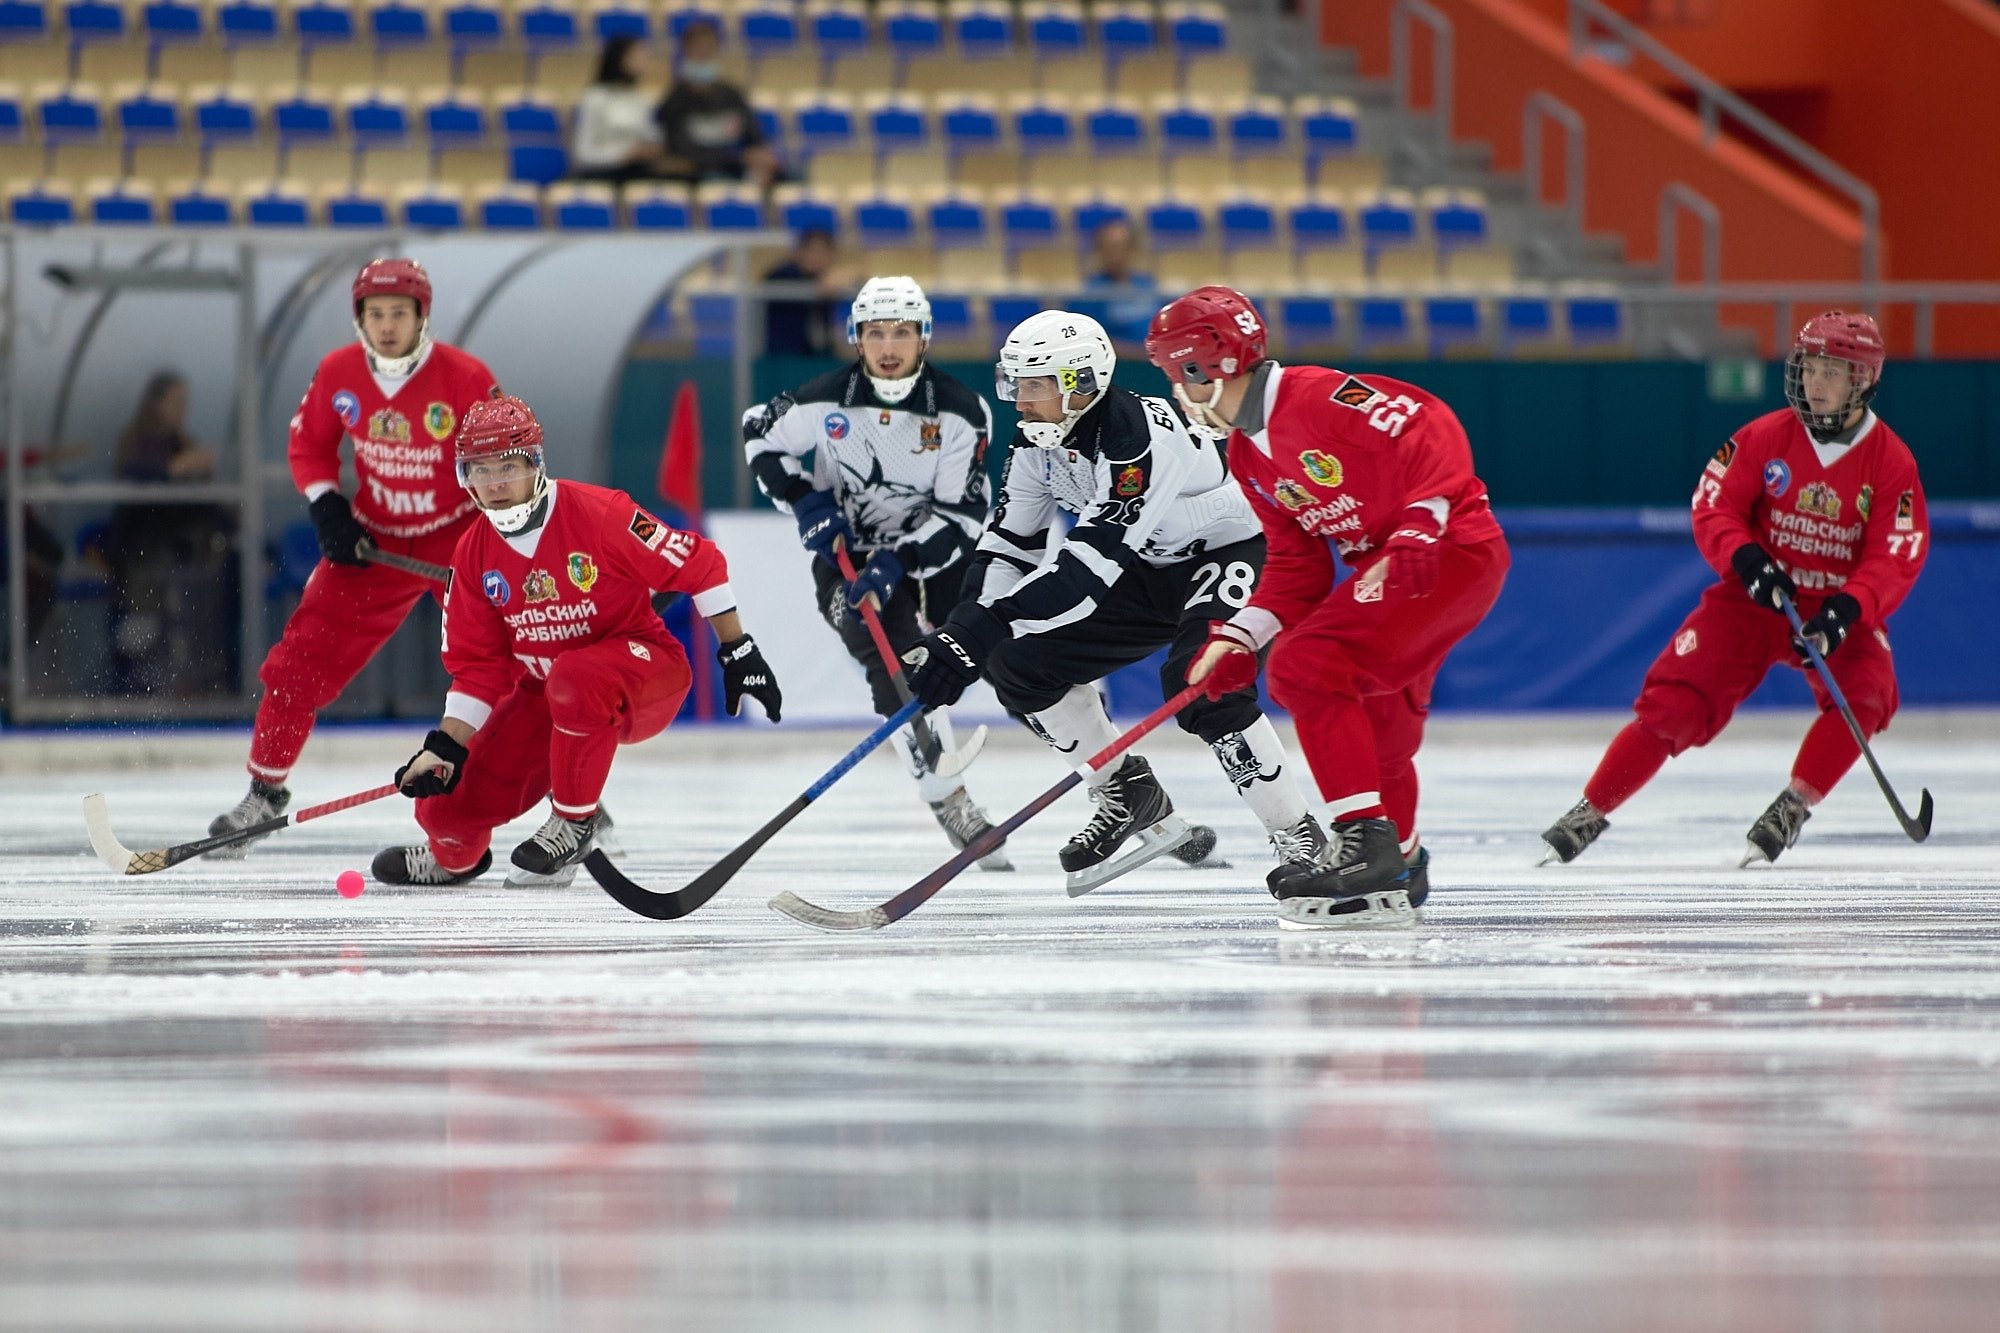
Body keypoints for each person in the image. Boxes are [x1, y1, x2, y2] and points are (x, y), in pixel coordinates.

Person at [902, 310, 1326, 892]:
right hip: (1143, 562)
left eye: (1035, 385)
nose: (1020, 400)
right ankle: (1128, 792)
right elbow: (1007, 548)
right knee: (1017, 666)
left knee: (1199, 682)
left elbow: (1084, 573)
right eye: (1016, 384)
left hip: (1229, 550)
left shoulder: (1137, 437)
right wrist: (960, 636)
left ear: (1079, 384)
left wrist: (980, 629)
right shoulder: (1034, 442)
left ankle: (1299, 833)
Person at [1147, 285, 1510, 928]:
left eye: (1176, 372)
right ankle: (1399, 860)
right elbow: (1296, 569)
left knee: (1307, 665)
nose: (1176, 388)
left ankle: (1363, 838)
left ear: (1208, 365)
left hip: (1446, 550)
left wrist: (1425, 515)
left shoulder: (1315, 395)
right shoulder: (1245, 456)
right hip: (1395, 565)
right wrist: (1239, 638)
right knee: (1378, 729)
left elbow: (1427, 422)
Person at [1539, 310, 1928, 867]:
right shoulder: (1765, 436)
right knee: (1672, 701)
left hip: (1832, 606)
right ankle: (1589, 811)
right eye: (1809, 367)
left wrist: (1847, 610)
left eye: (1830, 372)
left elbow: (1898, 551)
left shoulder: (1891, 462)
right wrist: (1746, 560)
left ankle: (1792, 807)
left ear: (1862, 380)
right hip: (1755, 600)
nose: (1813, 383)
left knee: (1868, 693)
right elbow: (1714, 503)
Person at [376, 395, 783, 887]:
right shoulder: (473, 554)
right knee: (446, 809)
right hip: (547, 697)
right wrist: (445, 747)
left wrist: (737, 649)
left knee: (573, 676)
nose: (496, 484)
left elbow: (701, 564)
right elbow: (478, 670)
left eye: (507, 465)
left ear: (536, 465)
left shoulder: (601, 514)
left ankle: (574, 821)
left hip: (645, 672)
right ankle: (455, 856)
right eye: (480, 470)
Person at [205, 259, 503, 855]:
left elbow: (503, 456)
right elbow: (309, 445)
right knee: (297, 663)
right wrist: (326, 507)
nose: (387, 326)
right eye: (375, 314)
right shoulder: (338, 371)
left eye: (399, 313)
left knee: (518, 666)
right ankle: (264, 791)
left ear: (423, 317)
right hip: (376, 540)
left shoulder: (467, 377)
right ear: (359, 320)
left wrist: (496, 537)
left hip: (460, 537)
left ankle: (578, 805)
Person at [743, 275, 1009, 868]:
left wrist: (901, 560)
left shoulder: (963, 412)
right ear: (856, 339)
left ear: (925, 338)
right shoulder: (824, 397)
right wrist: (804, 500)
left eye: (903, 332)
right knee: (894, 659)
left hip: (933, 555)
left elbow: (965, 514)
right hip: (849, 558)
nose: (889, 346)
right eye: (876, 333)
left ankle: (1112, 779)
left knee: (998, 655)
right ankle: (949, 797)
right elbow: (757, 432)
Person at [103, 371, 237, 695]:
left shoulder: (183, 441)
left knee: (220, 573)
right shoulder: (134, 439)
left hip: (179, 548)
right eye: (175, 402)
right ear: (156, 403)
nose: (181, 410)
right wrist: (177, 467)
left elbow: (199, 497)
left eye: (184, 403)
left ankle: (209, 672)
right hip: (141, 546)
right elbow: (133, 474)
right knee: (142, 615)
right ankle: (133, 681)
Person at [653, 17, 779, 190]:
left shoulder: (733, 95)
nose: (703, 55)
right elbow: (678, 153)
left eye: (709, 49)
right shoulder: (674, 101)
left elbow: (754, 139)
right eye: (698, 49)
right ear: (685, 52)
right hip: (698, 177)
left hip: (736, 170)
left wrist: (758, 156)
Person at [570, 34, 685, 184]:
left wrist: (652, 149)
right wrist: (623, 155)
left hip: (638, 172)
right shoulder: (595, 98)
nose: (643, 62)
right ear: (619, 58)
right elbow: (583, 153)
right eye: (636, 56)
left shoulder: (642, 99)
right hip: (604, 175)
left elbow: (651, 135)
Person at [762, 228, 851, 358]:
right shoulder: (783, 275)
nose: (817, 257)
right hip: (783, 359)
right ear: (799, 252)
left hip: (818, 358)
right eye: (812, 251)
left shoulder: (828, 279)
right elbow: (777, 279)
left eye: (823, 252)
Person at [1077, 219, 1158, 351]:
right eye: (1110, 248)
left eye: (1123, 247)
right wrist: (1140, 353)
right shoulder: (1087, 295)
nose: (1116, 254)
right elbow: (1091, 341)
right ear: (1099, 251)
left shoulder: (1148, 284)